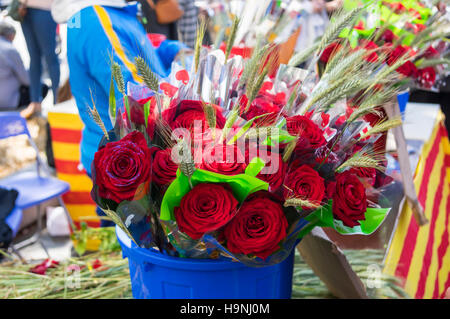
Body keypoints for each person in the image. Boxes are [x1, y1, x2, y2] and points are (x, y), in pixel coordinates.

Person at [51, 0, 184, 226]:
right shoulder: (95, 18)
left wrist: (171, 51)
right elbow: (137, 96)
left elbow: (139, 54)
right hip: (127, 165)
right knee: (130, 243)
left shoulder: (108, 13)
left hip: (128, 155)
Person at [19, 0, 60, 119]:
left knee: (50, 56)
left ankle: (58, 100)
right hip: (25, 8)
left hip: (44, 8)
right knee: (34, 57)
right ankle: (35, 101)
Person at [0, 21, 31, 110]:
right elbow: (26, 80)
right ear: (10, 35)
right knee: (41, 87)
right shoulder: (10, 49)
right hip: (8, 100)